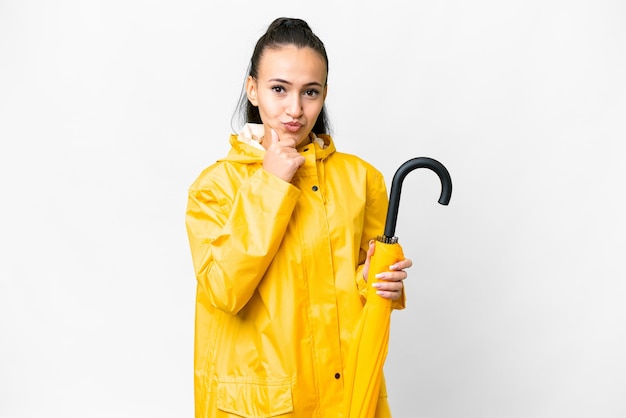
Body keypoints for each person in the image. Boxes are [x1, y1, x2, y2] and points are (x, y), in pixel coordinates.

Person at [185, 17, 413, 417]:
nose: (295, 109)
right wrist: (272, 184)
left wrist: (375, 283)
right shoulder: (215, 187)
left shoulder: (361, 179)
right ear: (252, 89)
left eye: (310, 92)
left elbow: (364, 292)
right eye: (279, 89)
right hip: (262, 405)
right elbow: (224, 290)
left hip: (347, 398)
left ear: (325, 94)